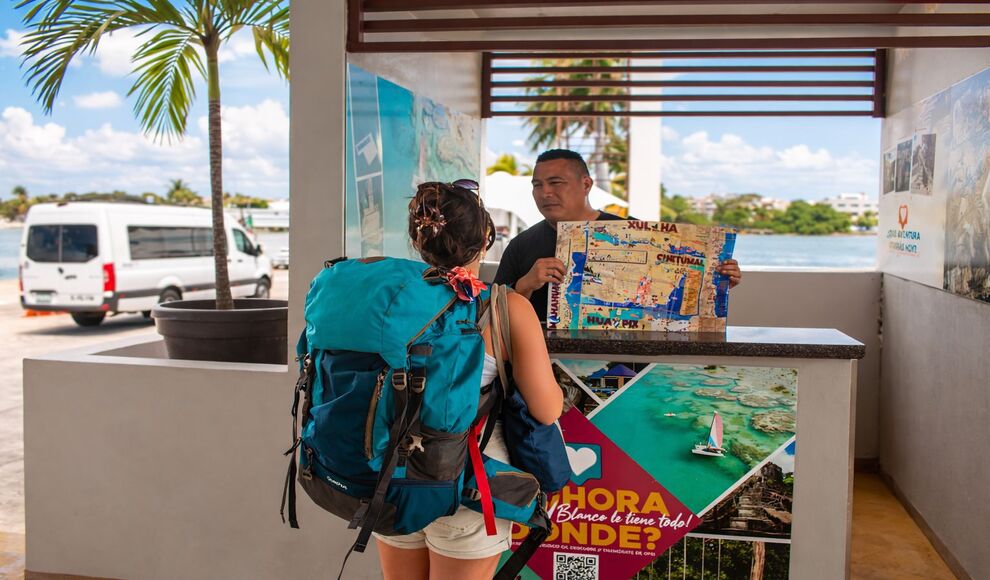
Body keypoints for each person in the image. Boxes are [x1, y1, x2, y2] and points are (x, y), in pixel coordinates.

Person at [375, 180, 564, 580]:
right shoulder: (505, 307)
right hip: (467, 485)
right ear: (487, 238)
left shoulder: (387, 301)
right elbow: (547, 410)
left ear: (418, 241)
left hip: (389, 476)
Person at [494, 149, 744, 321]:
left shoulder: (635, 234)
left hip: (626, 364)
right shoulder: (520, 245)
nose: (545, 192)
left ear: (586, 185)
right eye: (537, 185)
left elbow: (671, 297)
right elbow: (491, 314)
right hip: (540, 365)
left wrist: (716, 280)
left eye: (556, 182)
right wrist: (525, 285)